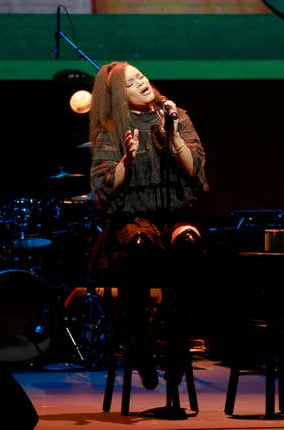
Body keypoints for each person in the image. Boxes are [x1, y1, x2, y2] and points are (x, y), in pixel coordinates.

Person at [87, 61, 209, 391]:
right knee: (137, 250)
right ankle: (141, 344)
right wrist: (126, 161)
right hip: (133, 221)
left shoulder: (175, 116)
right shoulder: (112, 129)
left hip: (173, 217)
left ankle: (176, 347)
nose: (141, 83)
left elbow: (193, 168)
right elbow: (102, 189)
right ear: (117, 96)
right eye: (130, 83)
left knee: (188, 246)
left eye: (141, 76)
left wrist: (172, 136)